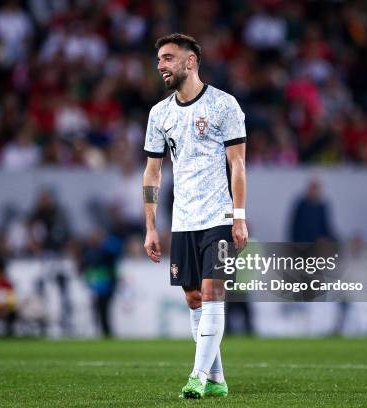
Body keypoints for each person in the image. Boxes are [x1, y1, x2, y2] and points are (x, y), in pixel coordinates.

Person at [142, 33, 248, 399]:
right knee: (193, 298)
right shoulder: (160, 114)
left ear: (190, 62)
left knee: (211, 290)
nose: (161, 66)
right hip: (183, 220)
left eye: (168, 58)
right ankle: (217, 378)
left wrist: (239, 216)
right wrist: (151, 227)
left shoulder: (224, 105)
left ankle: (197, 376)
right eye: (159, 60)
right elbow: (152, 173)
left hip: (218, 215)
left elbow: (238, 166)